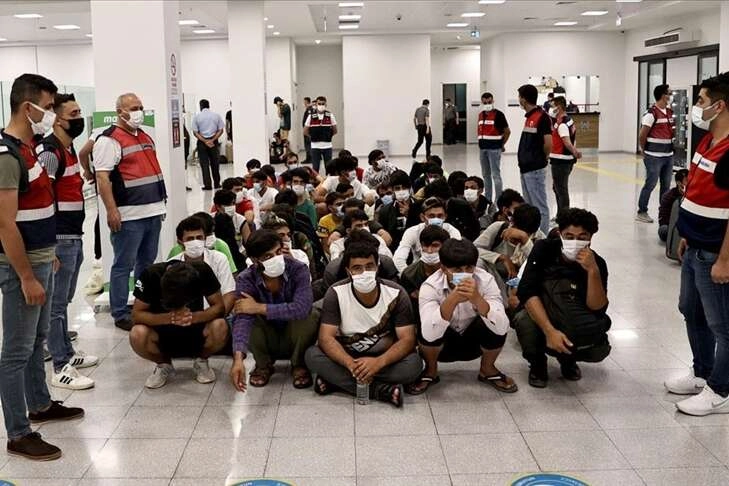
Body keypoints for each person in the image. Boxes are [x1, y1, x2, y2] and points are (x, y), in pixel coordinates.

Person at [0, 73, 84, 461]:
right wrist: (26, 276)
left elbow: (37, 207)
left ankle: (39, 403)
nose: (52, 114)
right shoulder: (6, 155)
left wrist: (48, 252)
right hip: (23, 269)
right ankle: (18, 433)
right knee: (16, 350)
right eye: (48, 108)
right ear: (27, 107)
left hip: (42, 257)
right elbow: (5, 224)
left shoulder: (29, 148)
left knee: (36, 340)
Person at [669, 72, 729, 416]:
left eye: (701, 101)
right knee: (691, 310)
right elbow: (697, 192)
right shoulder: (706, 141)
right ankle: (702, 371)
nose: (696, 107)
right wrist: (686, 235)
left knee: (723, 325)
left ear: (719, 106)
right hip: (694, 245)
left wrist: (725, 259)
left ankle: (720, 389)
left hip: (715, 252)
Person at [305, 241, 421, 407]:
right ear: (348, 271)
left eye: (369, 266)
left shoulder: (396, 293)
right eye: (357, 268)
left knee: (414, 365)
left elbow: (407, 339)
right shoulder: (336, 293)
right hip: (346, 356)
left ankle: (336, 382)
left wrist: (378, 363)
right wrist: (350, 364)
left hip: (384, 357)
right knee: (312, 356)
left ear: (377, 267)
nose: (364, 272)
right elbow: (326, 338)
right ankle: (380, 390)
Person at [36, 93, 98, 390]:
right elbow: (42, 197)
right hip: (59, 238)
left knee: (63, 301)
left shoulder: (68, 149)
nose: (79, 118)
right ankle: (60, 365)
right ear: (58, 120)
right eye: (73, 114)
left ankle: (67, 352)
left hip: (73, 234)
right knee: (56, 304)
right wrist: (49, 243)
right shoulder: (50, 152)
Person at [94, 92, 167, 331]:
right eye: (134, 108)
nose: (139, 112)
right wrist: (111, 210)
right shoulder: (109, 140)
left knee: (146, 264)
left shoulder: (144, 136)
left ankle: (142, 305)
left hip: (152, 211)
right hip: (128, 215)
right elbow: (102, 178)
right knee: (123, 265)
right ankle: (120, 312)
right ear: (120, 112)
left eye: (140, 107)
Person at [514, 208, 610, 388]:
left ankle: (568, 360)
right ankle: (537, 364)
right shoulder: (544, 249)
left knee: (596, 345)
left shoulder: (598, 263)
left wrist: (593, 271)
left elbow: (597, 307)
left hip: (572, 314)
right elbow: (527, 292)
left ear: (591, 237)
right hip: (543, 310)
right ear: (560, 234)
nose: (575, 242)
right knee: (524, 321)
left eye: (582, 237)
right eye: (569, 236)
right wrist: (549, 331)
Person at [412, 238, 515, 394]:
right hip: (442, 345)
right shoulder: (430, 286)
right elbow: (429, 334)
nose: (465, 274)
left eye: (469, 268)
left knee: (495, 317)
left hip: (474, 342)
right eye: (457, 269)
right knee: (426, 322)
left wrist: (477, 300)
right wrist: (452, 299)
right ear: (443, 268)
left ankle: (487, 369)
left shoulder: (486, 280)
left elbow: (502, 327)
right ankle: (431, 371)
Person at [230, 230, 318, 390]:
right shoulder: (246, 279)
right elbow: (242, 319)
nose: (276, 258)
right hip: (267, 335)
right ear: (255, 260)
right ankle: (263, 365)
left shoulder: (298, 269)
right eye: (268, 256)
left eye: (278, 252)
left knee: (311, 315)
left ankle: (299, 364)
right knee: (244, 315)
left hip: (295, 334)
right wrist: (238, 359)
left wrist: (259, 307)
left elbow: (302, 308)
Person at [130, 261, 228, 388]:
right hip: (161, 332)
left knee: (220, 326)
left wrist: (193, 317)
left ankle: (201, 361)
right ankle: (163, 364)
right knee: (137, 334)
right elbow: (136, 315)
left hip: (196, 330)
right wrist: (170, 318)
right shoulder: (150, 275)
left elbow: (220, 307)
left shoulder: (202, 270)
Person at [169, 216, 236, 314]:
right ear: (180, 242)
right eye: (190, 239)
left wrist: (214, 316)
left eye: (199, 238)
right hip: (184, 318)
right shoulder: (172, 264)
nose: (195, 242)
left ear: (205, 239)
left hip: (215, 316)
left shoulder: (219, 259)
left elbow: (229, 294)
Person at [517, 84, 552, 235]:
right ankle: (532, 235)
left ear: (524, 99)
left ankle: (542, 237)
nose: (518, 100)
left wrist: (542, 158)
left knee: (540, 206)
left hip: (535, 169)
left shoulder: (541, 117)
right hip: (526, 168)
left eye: (519, 97)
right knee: (530, 206)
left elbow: (548, 143)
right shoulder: (530, 117)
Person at [637, 84, 675, 223]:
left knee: (666, 186)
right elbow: (642, 135)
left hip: (668, 155)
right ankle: (642, 211)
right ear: (662, 95)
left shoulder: (669, 112)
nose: (670, 96)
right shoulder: (651, 114)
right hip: (653, 156)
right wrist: (644, 150)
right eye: (669, 93)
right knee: (651, 184)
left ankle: (664, 212)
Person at [393, 197, 462, 274]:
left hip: (444, 273)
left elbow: (458, 258)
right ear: (422, 217)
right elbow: (399, 258)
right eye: (431, 216)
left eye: (440, 216)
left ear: (445, 217)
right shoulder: (412, 232)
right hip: (419, 273)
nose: (436, 219)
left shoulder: (452, 232)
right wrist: (408, 276)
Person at [475, 204, 544, 280]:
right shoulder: (499, 227)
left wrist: (526, 241)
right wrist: (501, 257)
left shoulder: (539, 238)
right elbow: (474, 250)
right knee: (478, 262)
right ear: (512, 222)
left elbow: (541, 266)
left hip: (522, 282)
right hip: (494, 277)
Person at [400, 226, 450, 325]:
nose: (429, 250)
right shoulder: (409, 275)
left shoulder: (454, 271)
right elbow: (410, 309)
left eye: (435, 246)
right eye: (425, 246)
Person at [549, 96, 582, 213]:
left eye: (552, 106)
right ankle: (560, 214)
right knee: (557, 188)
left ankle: (564, 216)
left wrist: (575, 152)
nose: (551, 108)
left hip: (561, 161)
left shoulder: (562, 124)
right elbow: (573, 139)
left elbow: (567, 142)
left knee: (561, 190)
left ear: (558, 107)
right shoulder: (568, 120)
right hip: (565, 159)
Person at [478, 92, 511, 203]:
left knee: (495, 175)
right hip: (483, 148)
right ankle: (488, 199)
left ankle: (498, 199)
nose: (487, 104)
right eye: (485, 102)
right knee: (485, 175)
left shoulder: (499, 115)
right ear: (482, 102)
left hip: (494, 149)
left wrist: (501, 144)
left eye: (489, 102)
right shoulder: (481, 115)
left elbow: (507, 131)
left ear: (493, 101)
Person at [377, 170, 422, 250]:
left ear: (409, 188)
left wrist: (409, 215)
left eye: (404, 188)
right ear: (393, 190)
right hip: (395, 250)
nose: (401, 191)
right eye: (397, 188)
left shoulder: (420, 206)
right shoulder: (385, 211)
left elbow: (422, 230)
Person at [192, 99, 225, 190]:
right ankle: (217, 184)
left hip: (202, 143)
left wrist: (205, 141)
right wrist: (212, 140)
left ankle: (208, 185)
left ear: (200, 106)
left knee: (204, 164)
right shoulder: (216, 116)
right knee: (215, 163)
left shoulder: (197, 117)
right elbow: (221, 130)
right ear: (208, 105)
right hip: (214, 142)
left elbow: (195, 132)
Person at [303, 95, 337, 173]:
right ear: (316, 104)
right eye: (319, 103)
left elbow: (335, 130)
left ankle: (329, 180)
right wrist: (313, 137)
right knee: (315, 168)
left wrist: (327, 136)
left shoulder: (330, 115)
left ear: (326, 104)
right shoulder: (311, 116)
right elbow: (305, 131)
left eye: (323, 104)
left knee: (329, 168)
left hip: (327, 146)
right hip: (315, 147)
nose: (321, 105)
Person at [658, 169, 688, 242]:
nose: (689, 183)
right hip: (671, 225)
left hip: (686, 226)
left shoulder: (693, 194)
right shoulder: (669, 196)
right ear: (678, 183)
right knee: (663, 230)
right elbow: (663, 219)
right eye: (687, 180)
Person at [302, 96, 315, 163]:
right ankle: (309, 158)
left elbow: (308, 120)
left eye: (304, 101)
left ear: (307, 102)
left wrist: (306, 130)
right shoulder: (308, 109)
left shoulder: (309, 109)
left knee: (308, 145)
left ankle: (309, 159)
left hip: (308, 130)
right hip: (307, 130)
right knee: (308, 145)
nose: (303, 103)